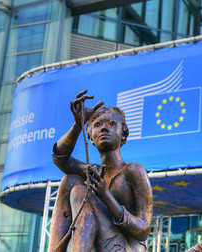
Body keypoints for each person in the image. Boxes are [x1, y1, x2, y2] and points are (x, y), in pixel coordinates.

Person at [48, 90, 153, 252]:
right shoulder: (94, 172)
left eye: (111, 124)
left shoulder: (133, 170)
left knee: (80, 192)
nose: (104, 128)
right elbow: (60, 158)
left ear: (123, 133)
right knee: (70, 181)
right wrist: (78, 124)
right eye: (97, 125)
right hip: (97, 244)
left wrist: (106, 196)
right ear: (90, 136)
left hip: (125, 248)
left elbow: (143, 230)